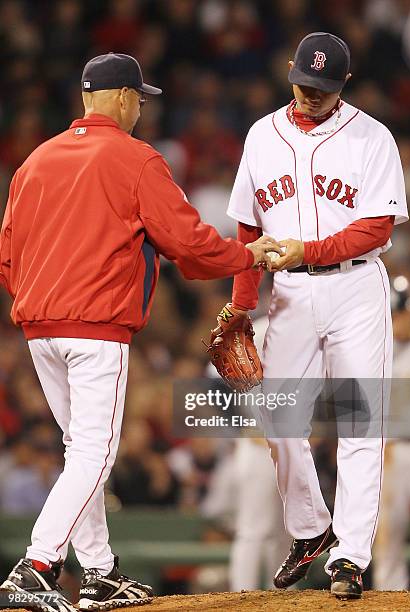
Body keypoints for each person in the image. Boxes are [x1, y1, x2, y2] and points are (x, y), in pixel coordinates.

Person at [0, 52, 280, 611]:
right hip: (95, 327)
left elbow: (8, 254)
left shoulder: (35, 161)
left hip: (39, 330)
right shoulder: (135, 158)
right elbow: (187, 242)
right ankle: (35, 566)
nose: (140, 109)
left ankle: (100, 572)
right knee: (96, 455)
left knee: (81, 450)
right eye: (139, 99)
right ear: (126, 98)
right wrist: (244, 254)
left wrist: (38, 304)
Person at [220, 32, 408, 599]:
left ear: (343, 84)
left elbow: (378, 226)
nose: (311, 95)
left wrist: (310, 250)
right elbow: (249, 229)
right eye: (303, 84)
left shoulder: (372, 137)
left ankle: (350, 557)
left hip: (354, 287)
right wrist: (241, 303)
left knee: (359, 422)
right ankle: (311, 530)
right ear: (288, 70)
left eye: (323, 88)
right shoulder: (262, 134)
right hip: (289, 294)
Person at [373, 276, 410, 590]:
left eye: (401, 313)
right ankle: (388, 597)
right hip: (388, 452)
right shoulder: (375, 350)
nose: (397, 320)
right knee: (387, 534)